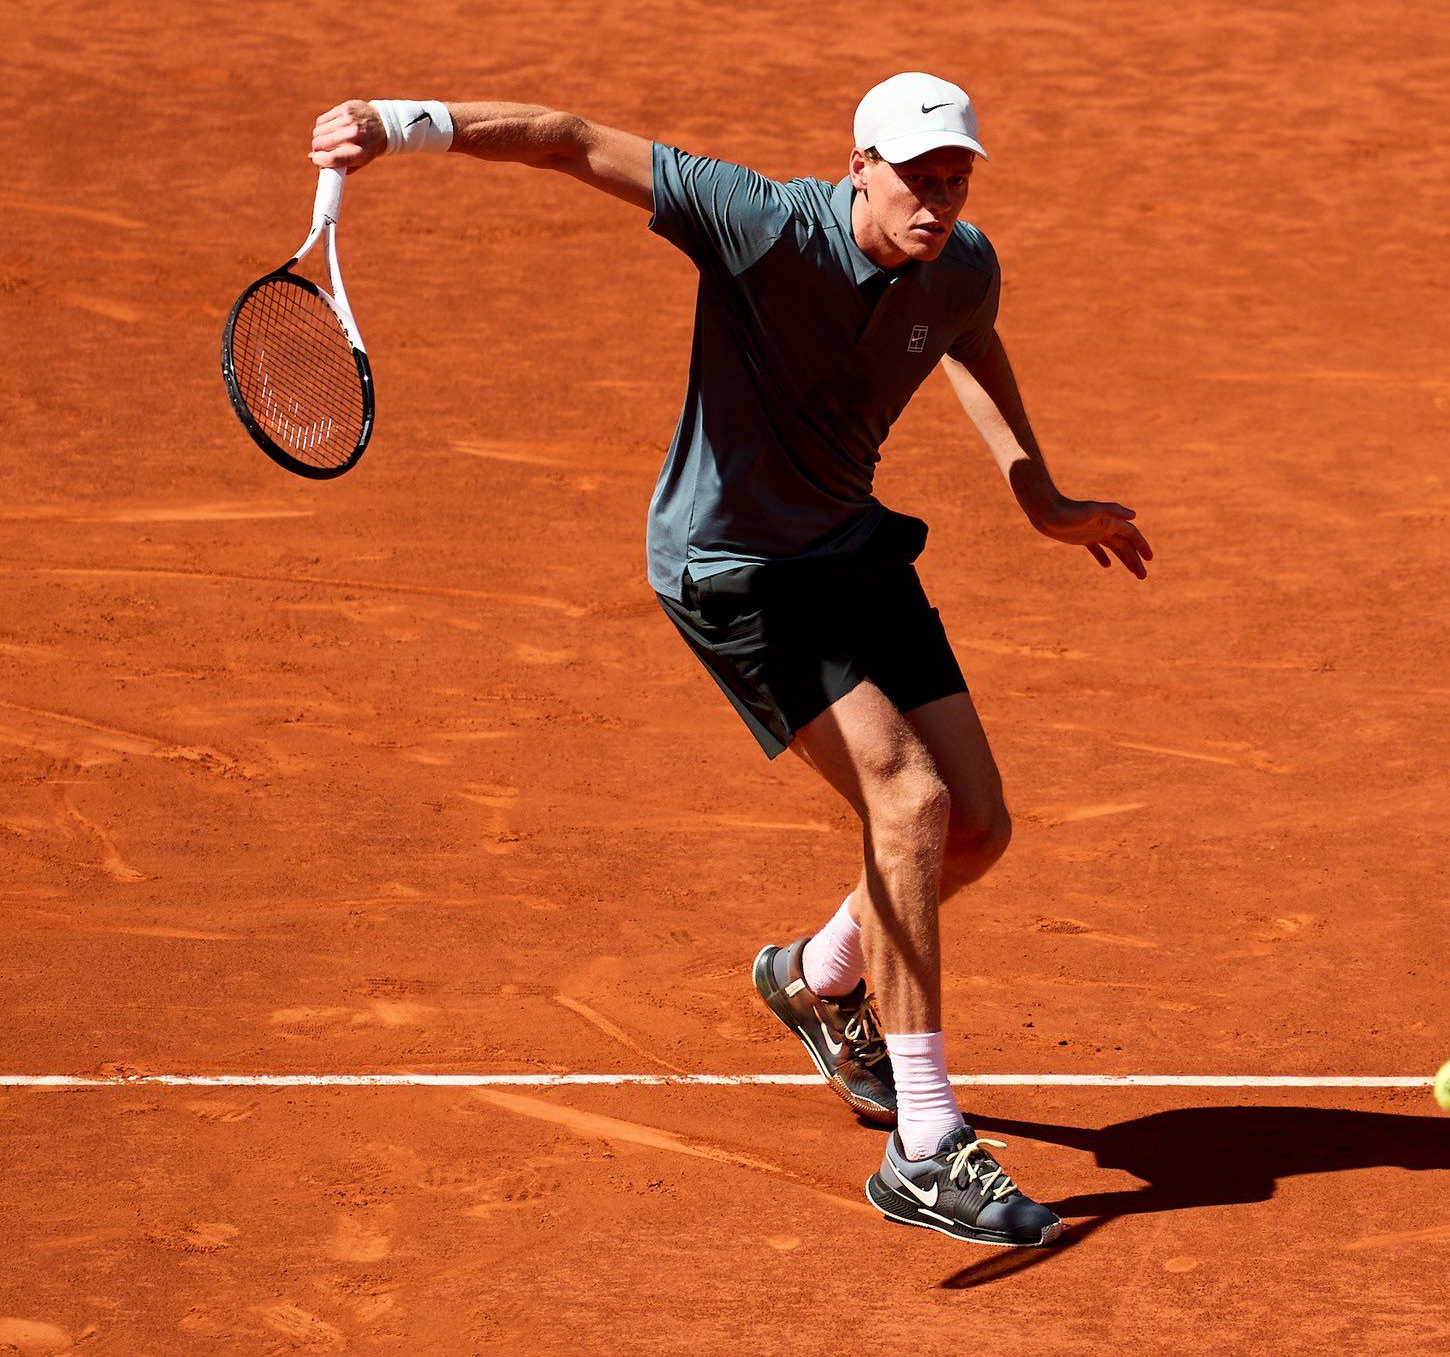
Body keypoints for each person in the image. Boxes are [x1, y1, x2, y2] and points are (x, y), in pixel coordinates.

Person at [309, 73, 1151, 1247]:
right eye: (916, 175)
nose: (938, 196)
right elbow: (567, 139)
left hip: (846, 545)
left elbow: (968, 330)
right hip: (733, 568)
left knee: (977, 829)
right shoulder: (756, 222)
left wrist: (1040, 496)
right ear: (857, 163)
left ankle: (814, 975)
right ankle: (924, 1144)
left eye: (955, 175)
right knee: (908, 799)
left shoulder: (958, 260)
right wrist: (401, 126)